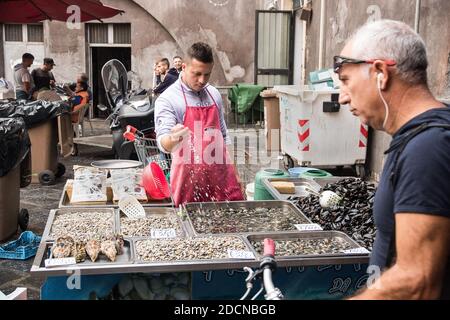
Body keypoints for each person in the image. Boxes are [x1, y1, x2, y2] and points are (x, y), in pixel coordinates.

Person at [335, 19, 450, 299]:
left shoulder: (428, 147)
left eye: (346, 81)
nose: (342, 98)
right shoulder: (418, 138)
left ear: (380, 73)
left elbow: (417, 280)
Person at [155, 42, 244, 206]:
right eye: (196, 74)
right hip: (189, 181)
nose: (202, 80)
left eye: (207, 74)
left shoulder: (214, 94)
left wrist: (235, 171)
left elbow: (223, 135)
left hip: (221, 176)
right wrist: (172, 139)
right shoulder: (168, 99)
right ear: (183, 67)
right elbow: (162, 142)